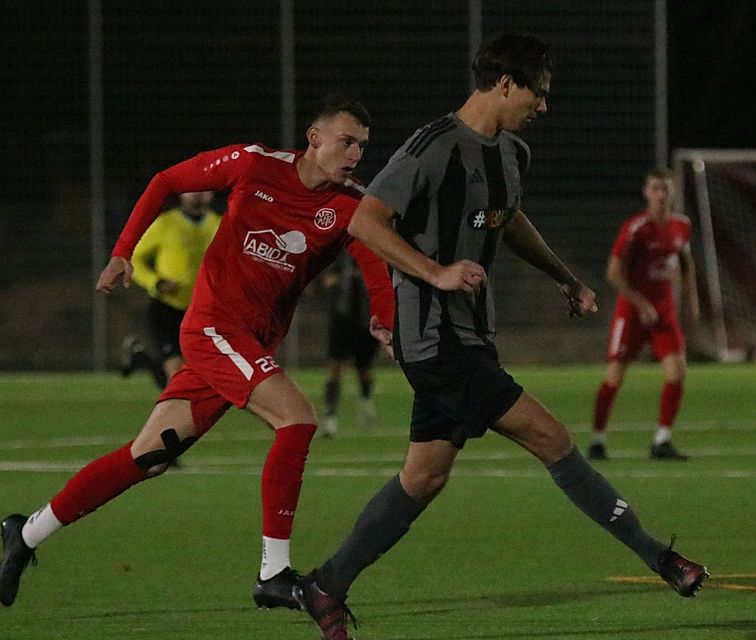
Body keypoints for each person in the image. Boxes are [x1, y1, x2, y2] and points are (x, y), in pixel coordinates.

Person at [290, 33, 709, 640]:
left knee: (423, 478)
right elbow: (365, 220)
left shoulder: (513, 153)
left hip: (470, 337)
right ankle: (662, 559)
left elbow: (509, 221)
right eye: (539, 93)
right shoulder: (432, 147)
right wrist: (435, 271)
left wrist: (565, 277)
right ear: (506, 84)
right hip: (435, 341)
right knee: (552, 438)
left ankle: (325, 586)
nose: (544, 106)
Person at [0, 95, 394, 611]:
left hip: (249, 342)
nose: (355, 154)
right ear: (314, 138)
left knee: (149, 456)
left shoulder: (351, 204)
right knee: (297, 419)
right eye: (346, 141)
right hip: (213, 327)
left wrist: (383, 316)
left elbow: (375, 261)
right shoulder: (254, 164)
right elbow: (166, 181)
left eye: (362, 146)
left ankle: (26, 532)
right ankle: (273, 574)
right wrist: (122, 252)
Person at [587, 168, 700, 462]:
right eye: (655, 189)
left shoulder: (681, 226)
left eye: (665, 189)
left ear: (672, 192)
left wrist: (691, 300)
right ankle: (597, 440)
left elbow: (686, 262)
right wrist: (641, 303)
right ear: (647, 193)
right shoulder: (636, 228)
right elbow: (613, 273)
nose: (661, 194)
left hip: (664, 313)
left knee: (677, 372)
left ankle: (662, 440)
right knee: (614, 376)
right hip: (632, 313)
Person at [120, 190, 221, 391]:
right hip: (167, 307)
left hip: (203, 311)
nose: (197, 195)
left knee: (195, 376)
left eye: (204, 189)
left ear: (211, 194)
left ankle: (140, 357)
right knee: (177, 377)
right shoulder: (166, 223)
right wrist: (155, 282)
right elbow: (133, 258)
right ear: (182, 193)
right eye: (192, 190)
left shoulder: (220, 225)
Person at [320, 252, 382, 437]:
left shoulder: (374, 251)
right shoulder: (341, 255)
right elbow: (326, 279)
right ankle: (330, 418)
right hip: (342, 319)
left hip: (366, 319)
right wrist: (337, 279)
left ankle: (366, 403)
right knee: (335, 368)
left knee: (364, 369)